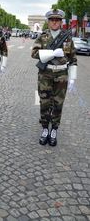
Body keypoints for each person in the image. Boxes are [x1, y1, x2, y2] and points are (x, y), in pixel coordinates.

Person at [31, 9, 77, 146]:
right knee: (44, 102)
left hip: (62, 75)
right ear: (48, 21)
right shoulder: (43, 36)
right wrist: (51, 54)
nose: (55, 22)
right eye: (52, 20)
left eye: (57, 20)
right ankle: (45, 128)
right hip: (45, 74)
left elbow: (73, 58)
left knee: (58, 104)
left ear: (61, 22)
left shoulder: (67, 37)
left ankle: (54, 129)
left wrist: (73, 78)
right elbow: (34, 53)